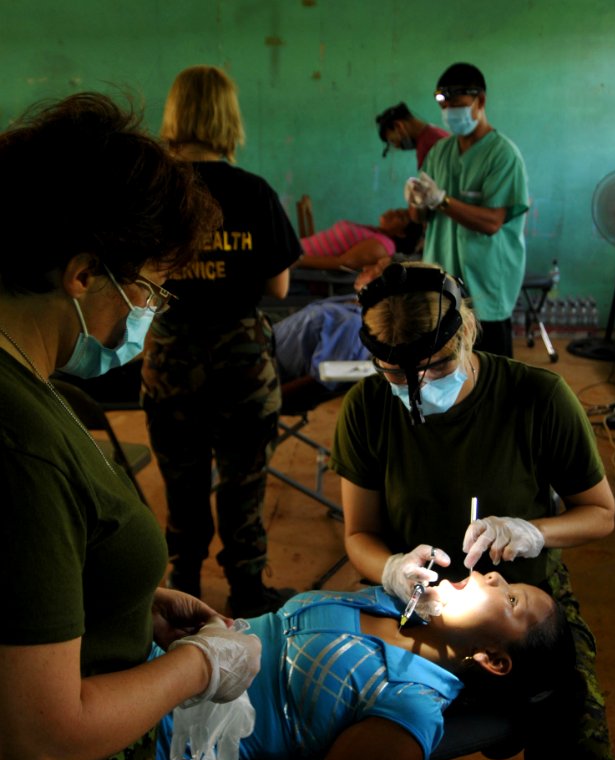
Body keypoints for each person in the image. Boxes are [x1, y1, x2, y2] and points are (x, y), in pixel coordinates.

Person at [0, 92, 263, 760]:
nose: (144, 311)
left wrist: (122, 602)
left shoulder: (30, 394)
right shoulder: (23, 439)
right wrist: (196, 667)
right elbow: (38, 740)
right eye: (145, 285)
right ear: (80, 275)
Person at [329, 260, 615, 760]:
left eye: (436, 367)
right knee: (320, 694)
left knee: (578, 750)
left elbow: (600, 513)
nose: (420, 393)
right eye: (399, 379)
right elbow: (359, 535)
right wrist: (392, 569)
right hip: (416, 605)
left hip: (522, 599)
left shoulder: (538, 397)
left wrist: (535, 530)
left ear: (471, 331)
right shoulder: (368, 409)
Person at [154, 571, 575, 760]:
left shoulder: (408, 712)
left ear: (494, 660)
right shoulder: (394, 602)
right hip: (149, 658)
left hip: (146, 735)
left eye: (511, 598)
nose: (493, 576)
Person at [142, 65, 302, 614]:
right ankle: (248, 592)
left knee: (181, 481)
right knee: (244, 484)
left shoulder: (153, 191)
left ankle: (182, 589)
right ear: (228, 117)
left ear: (175, 114)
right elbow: (279, 285)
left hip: (171, 355)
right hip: (241, 361)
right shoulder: (252, 191)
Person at [404, 63, 529, 359]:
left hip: (485, 285)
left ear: (480, 101)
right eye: (445, 106)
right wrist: (416, 202)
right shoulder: (440, 153)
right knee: (444, 369)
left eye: (457, 105)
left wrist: (443, 200)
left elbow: (492, 222)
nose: (450, 113)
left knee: (488, 371)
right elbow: (419, 220)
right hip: (442, 284)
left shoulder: (502, 155)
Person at [295, 208, 423, 271]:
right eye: (396, 210)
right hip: (294, 252)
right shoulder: (376, 232)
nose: (392, 212)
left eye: (399, 217)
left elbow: (341, 263)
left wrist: (295, 259)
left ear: (401, 234)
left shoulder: (382, 246)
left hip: (299, 263)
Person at [375, 100, 449, 169]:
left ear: (398, 126)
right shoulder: (429, 137)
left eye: (393, 141)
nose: (397, 146)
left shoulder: (430, 143)